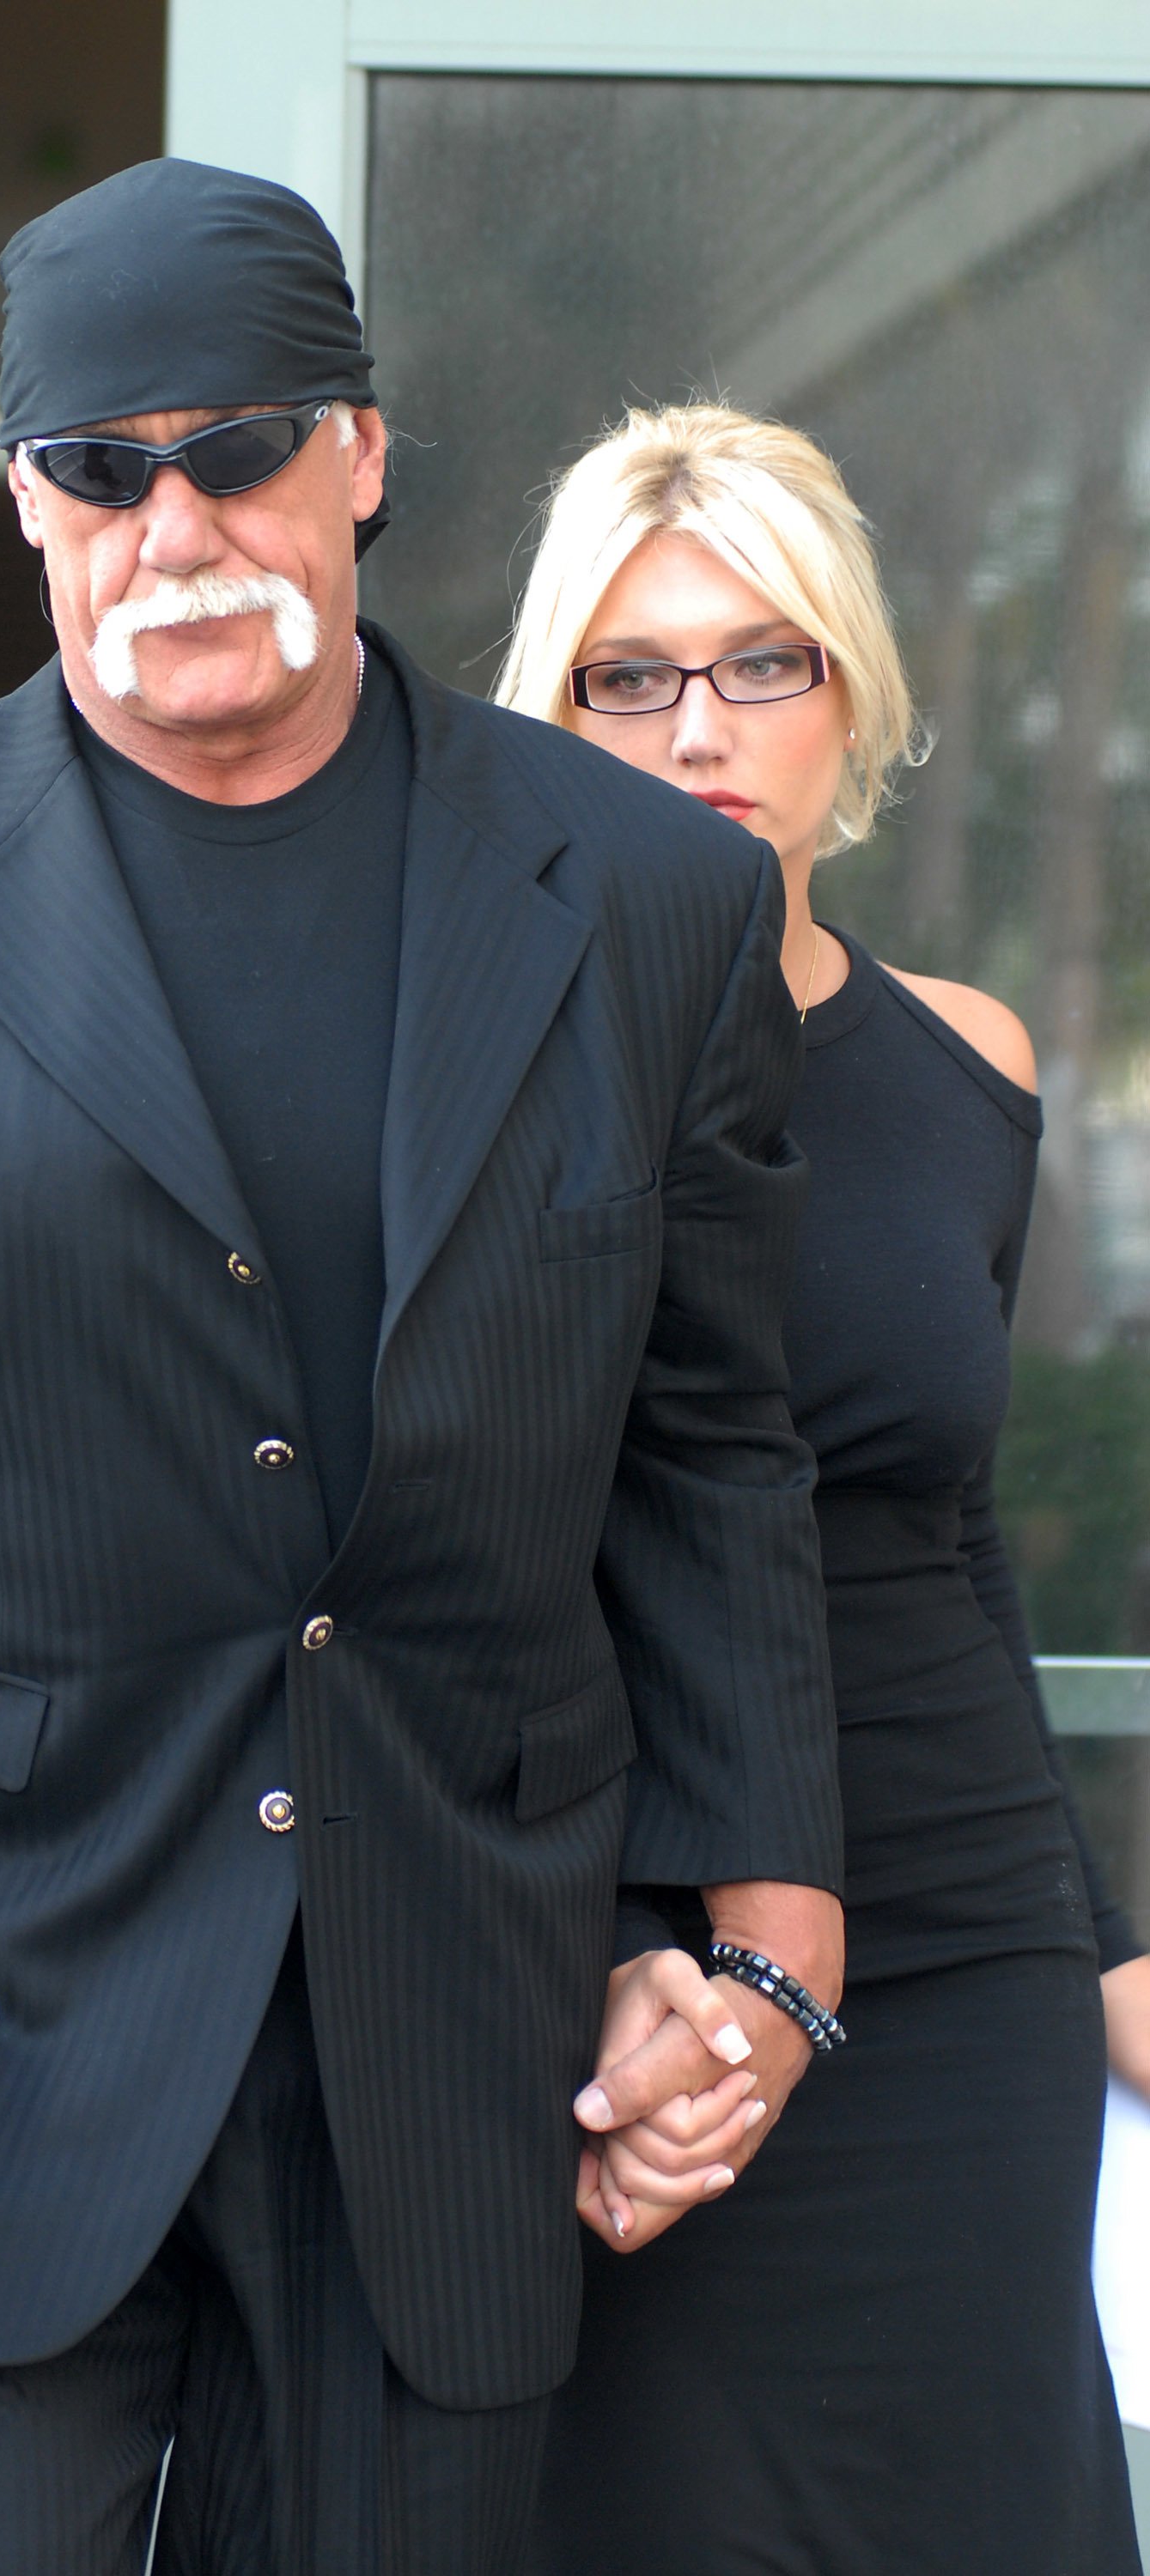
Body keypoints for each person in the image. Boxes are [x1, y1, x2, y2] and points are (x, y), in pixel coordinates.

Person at [0, 165, 846, 2576]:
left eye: (234, 448)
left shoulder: (646, 901)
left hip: (453, 2019)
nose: (174, 523)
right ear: (29, 498)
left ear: (364, 453)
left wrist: (773, 1919)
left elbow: (708, 1445)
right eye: (101, 470)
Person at [497, 401, 1148, 2574]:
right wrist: (612, 1949)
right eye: (632, 672)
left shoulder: (970, 1059)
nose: (702, 724)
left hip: (968, 1973)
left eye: (763, 661)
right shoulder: (468, 1085)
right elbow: (445, 1574)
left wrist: (1111, 1946)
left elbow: (951, 1541)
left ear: (849, 688)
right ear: (556, 711)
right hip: (628, 1984)